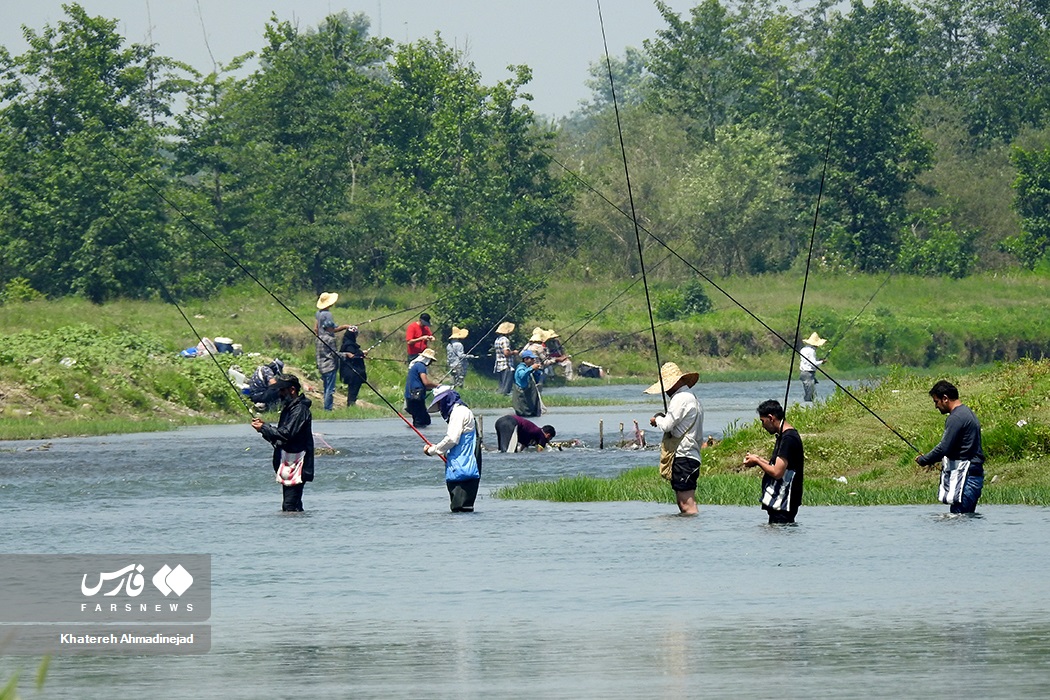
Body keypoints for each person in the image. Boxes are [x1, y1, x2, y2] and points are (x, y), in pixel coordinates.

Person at [915, 380, 985, 514]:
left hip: (966, 477)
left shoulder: (956, 417)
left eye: (936, 401)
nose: (936, 406)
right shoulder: (966, 413)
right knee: (964, 519)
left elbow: (943, 448)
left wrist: (924, 460)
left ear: (945, 398)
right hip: (973, 474)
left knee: (959, 518)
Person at [646, 362, 704, 515]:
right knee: (685, 502)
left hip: (684, 456)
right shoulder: (691, 398)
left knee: (686, 505)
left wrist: (657, 418)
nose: (665, 391)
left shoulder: (680, 399)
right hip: (691, 456)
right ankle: (687, 535)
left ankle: (689, 537)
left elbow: (666, 425)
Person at [251, 374, 314, 512]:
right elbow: (280, 438)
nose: (279, 393)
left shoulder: (300, 410)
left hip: (298, 462)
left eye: (282, 390)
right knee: (294, 505)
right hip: (288, 461)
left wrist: (265, 428)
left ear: (292, 390)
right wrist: (263, 429)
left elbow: (287, 434)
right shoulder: (289, 409)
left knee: (289, 506)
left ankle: (290, 532)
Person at [743, 400, 804, 524]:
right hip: (780, 501)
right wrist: (758, 459)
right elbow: (779, 466)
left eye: (762, 421)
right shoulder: (784, 436)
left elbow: (777, 472)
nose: (762, 426)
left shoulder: (788, 439)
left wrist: (757, 462)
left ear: (771, 418)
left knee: (780, 535)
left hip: (784, 502)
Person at [423, 385, 482, 513]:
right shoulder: (462, 411)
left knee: (460, 509)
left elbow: (452, 439)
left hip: (463, 469)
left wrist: (433, 450)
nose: (439, 408)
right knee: (464, 508)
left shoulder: (458, 413)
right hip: (463, 467)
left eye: (440, 403)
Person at [315, 292, 350, 411]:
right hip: (329, 365)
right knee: (330, 388)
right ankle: (327, 408)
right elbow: (334, 329)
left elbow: (316, 328)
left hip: (321, 361)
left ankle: (326, 408)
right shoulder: (327, 315)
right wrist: (345, 327)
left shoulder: (318, 313)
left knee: (326, 387)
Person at [404, 347, 440, 428]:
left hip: (411, 396)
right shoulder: (421, 366)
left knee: (423, 419)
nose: (431, 363)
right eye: (431, 361)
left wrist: (431, 388)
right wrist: (437, 385)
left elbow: (420, 384)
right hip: (416, 397)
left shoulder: (415, 366)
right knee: (422, 420)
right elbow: (425, 382)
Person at [338, 325, 367, 406]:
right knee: (353, 391)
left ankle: (351, 404)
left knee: (353, 391)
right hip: (353, 373)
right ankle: (351, 404)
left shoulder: (347, 343)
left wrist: (361, 354)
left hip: (351, 372)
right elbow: (353, 356)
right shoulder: (349, 345)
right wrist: (362, 353)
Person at [512, 349, 545, 417]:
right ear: (526, 359)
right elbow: (522, 375)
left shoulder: (528, 368)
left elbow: (537, 379)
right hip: (522, 397)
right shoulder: (521, 368)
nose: (534, 360)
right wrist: (531, 368)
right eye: (532, 359)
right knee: (524, 414)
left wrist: (536, 371)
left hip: (529, 397)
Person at [799, 332, 827, 402]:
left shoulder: (803, 349)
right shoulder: (812, 351)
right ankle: (808, 407)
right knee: (810, 395)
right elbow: (812, 364)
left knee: (808, 392)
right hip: (809, 373)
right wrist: (821, 362)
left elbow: (807, 362)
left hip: (803, 373)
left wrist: (818, 361)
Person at [493, 321, 517, 395]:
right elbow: (506, 353)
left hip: (499, 365)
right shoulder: (505, 340)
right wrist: (514, 352)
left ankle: (500, 397)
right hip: (506, 365)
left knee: (501, 385)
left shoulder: (497, 340)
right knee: (506, 387)